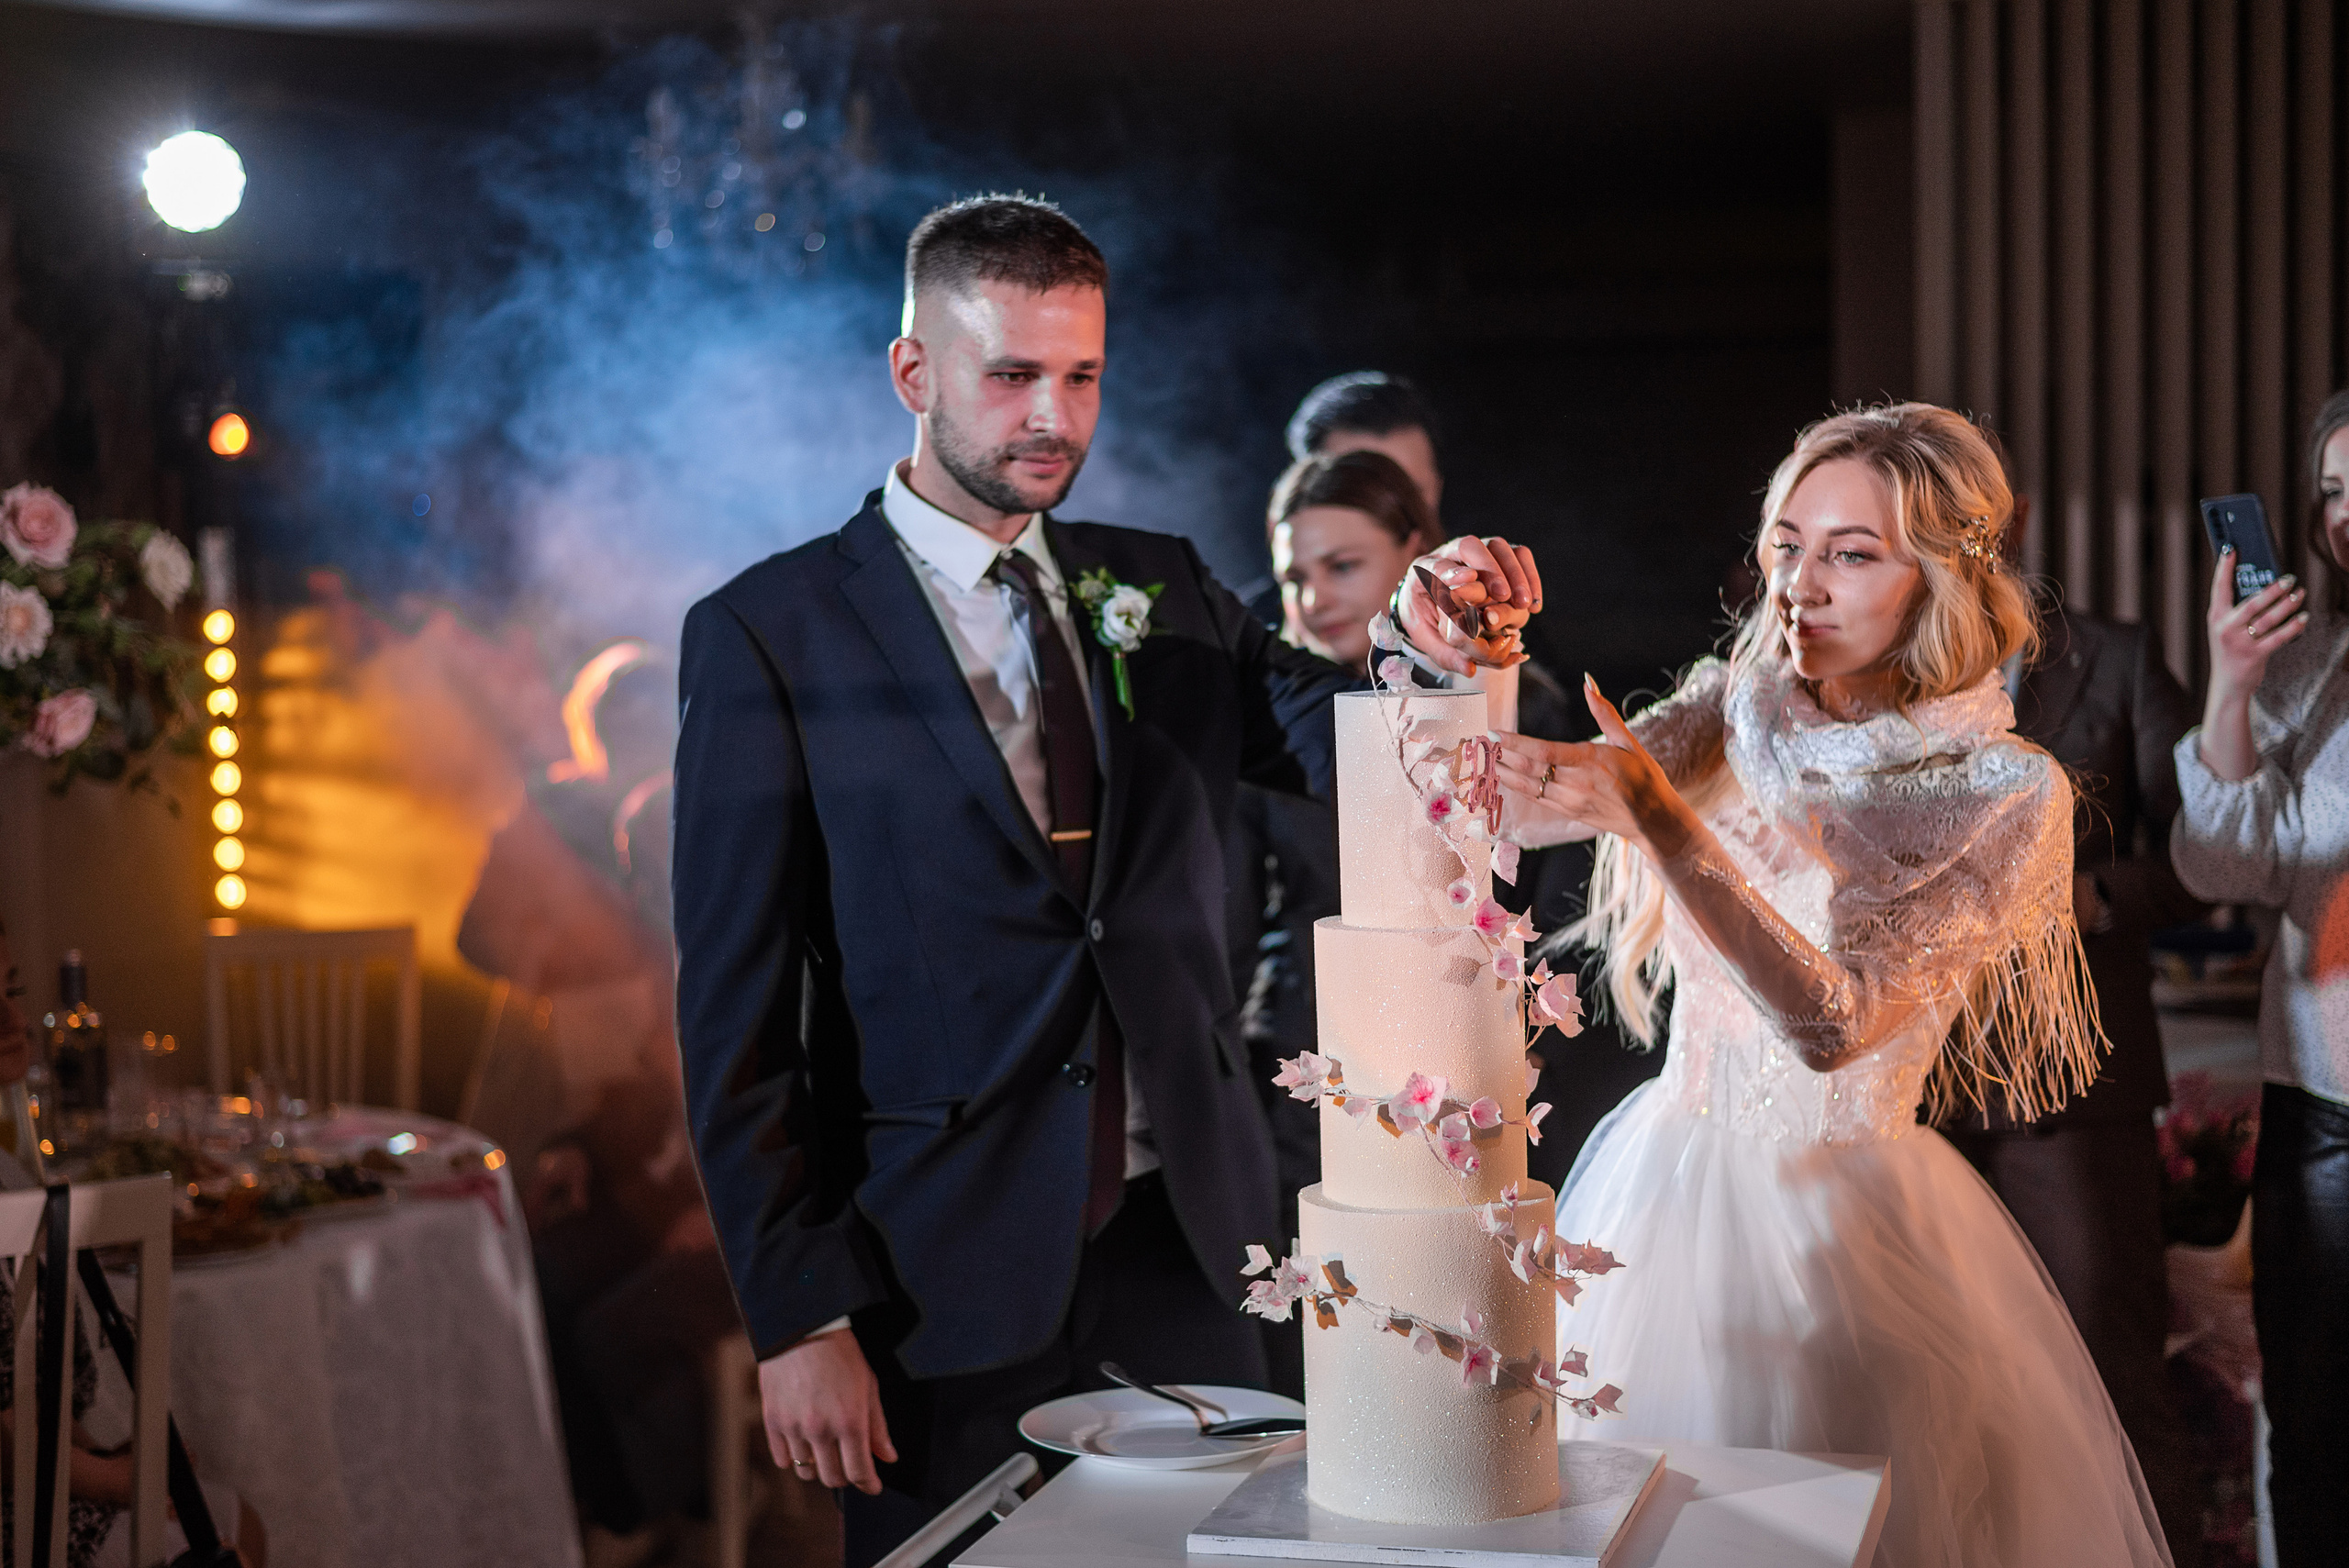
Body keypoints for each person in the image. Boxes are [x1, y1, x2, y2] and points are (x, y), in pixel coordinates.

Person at [669, 195, 1539, 1567]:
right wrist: (797, 1314)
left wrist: (1438, 654)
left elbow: (1351, 747)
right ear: (914, 374)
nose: (1052, 419)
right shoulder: (770, 635)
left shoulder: (1164, 584)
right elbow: (734, 1016)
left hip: (1193, 1248)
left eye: (1080, 378)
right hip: (934, 1279)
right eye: (1011, 374)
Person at [1492, 404, 2170, 1565]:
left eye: (1851, 552)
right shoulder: (1738, 696)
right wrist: (1478, 654)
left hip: (1847, 1224)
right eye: (1787, 543)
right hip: (1659, 1182)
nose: (1801, 583)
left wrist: (1658, 818)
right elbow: (1515, 809)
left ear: (1944, 575)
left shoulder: (1999, 787)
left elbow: (1831, 1022)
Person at [1937, 561, 2205, 1566]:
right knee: (1945, 1389)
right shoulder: (1887, 659)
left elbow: (2205, 851)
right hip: (1917, 1095)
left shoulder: (2116, 655)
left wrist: (2090, 899)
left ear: (2010, 514)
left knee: (2113, 1378)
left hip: (2074, 1089)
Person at [2169, 389, 2349, 1568]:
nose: (2345, 518)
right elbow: (2225, 862)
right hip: (2327, 1112)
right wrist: (2233, 685)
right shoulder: (2310, 666)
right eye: (2333, 491)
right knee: (2322, 1435)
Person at [0, 928, 265, 1568]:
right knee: (229, 1526)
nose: (13, 1020)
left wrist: (104, 1456)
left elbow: (27, 1388)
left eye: (11, 992)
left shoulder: (12, 1170)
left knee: (225, 1511)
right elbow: (9, 1427)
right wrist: (121, 1481)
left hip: (36, 1478)